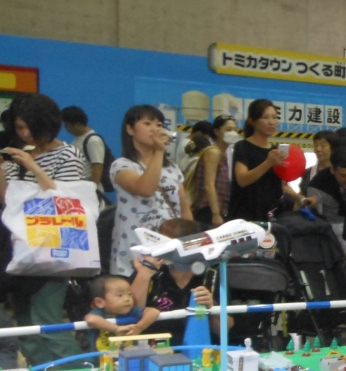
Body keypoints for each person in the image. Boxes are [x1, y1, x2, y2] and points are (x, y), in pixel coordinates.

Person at [0, 94, 88, 366]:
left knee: (48, 324)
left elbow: (68, 202)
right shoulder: (16, 155)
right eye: (19, 127)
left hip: (53, 249)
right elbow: (8, 204)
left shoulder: (68, 154)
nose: (24, 133)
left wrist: (32, 166)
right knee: (25, 329)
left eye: (29, 126)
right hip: (18, 250)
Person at [110, 104, 191, 275]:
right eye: (147, 124)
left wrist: (190, 241)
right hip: (134, 250)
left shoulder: (172, 168)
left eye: (159, 125)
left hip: (170, 249)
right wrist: (159, 151)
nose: (154, 129)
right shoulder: (122, 165)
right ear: (130, 129)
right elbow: (146, 189)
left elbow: (184, 209)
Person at [129, 218, 216, 346]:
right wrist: (144, 274)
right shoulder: (148, 269)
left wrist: (212, 308)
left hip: (199, 347)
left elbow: (225, 327)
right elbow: (131, 311)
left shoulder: (211, 275)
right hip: (153, 346)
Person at [228, 99, 312, 222]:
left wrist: (301, 199)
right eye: (265, 117)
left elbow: (283, 186)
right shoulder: (243, 146)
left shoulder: (275, 150)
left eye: (274, 117)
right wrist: (268, 163)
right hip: (244, 215)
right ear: (252, 121)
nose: (271, 122)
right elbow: (242, 180)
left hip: (269, 216)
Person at [189, 114, 236, 227]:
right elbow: (209, 184)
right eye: (228, 129)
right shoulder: (213, 152)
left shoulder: (224, 153)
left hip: (218, 209)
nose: (233, 133)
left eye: (234, 130)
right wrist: (216, 214)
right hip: (208, 211)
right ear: (217, 132)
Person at [61, 105, 113, 201]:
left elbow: (97, 167)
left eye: (67, 125)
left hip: (91, 191)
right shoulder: (78, 139)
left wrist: (92, 191)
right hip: (82, 188)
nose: (66, 128)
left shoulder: (93, 140)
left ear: (76, 124)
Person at [84, 275, 146, 343]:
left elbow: (153, 312)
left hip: (133, 350)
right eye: (120, 295)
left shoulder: (132, 311)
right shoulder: (99, 312)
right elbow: (91, 320)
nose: (127, 299)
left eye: (129, 294)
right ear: (100, 302)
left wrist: (139, 327)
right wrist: (116, 329)